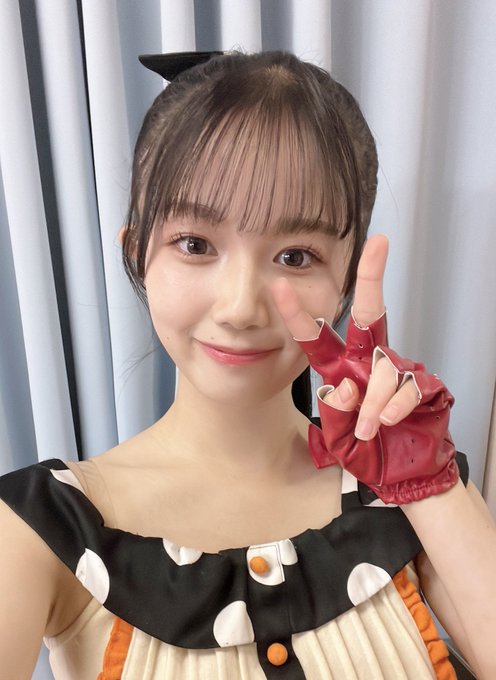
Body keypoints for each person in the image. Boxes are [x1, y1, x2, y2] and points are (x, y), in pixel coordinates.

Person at [0, 50, 495, 680]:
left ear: (344, 282)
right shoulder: (40, 527)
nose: (240, 308)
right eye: (195, 244)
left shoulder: (407, 494)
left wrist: (429, 485)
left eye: (296, 256)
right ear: (139, 255)